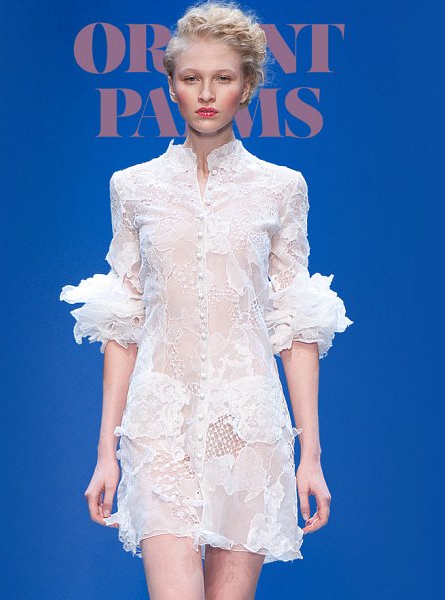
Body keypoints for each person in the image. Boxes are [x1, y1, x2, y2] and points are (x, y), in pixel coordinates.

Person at [59, 1, 353, 598]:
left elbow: (296, 324)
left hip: (247, 425)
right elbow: (123, 321)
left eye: (223, 77)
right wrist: (105, 451)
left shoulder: (281, 188)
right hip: (158, 423)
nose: (207, 93)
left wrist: (311, 456)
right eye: (191, 78)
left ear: (248, 86)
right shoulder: (133, 187)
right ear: (172, 86)